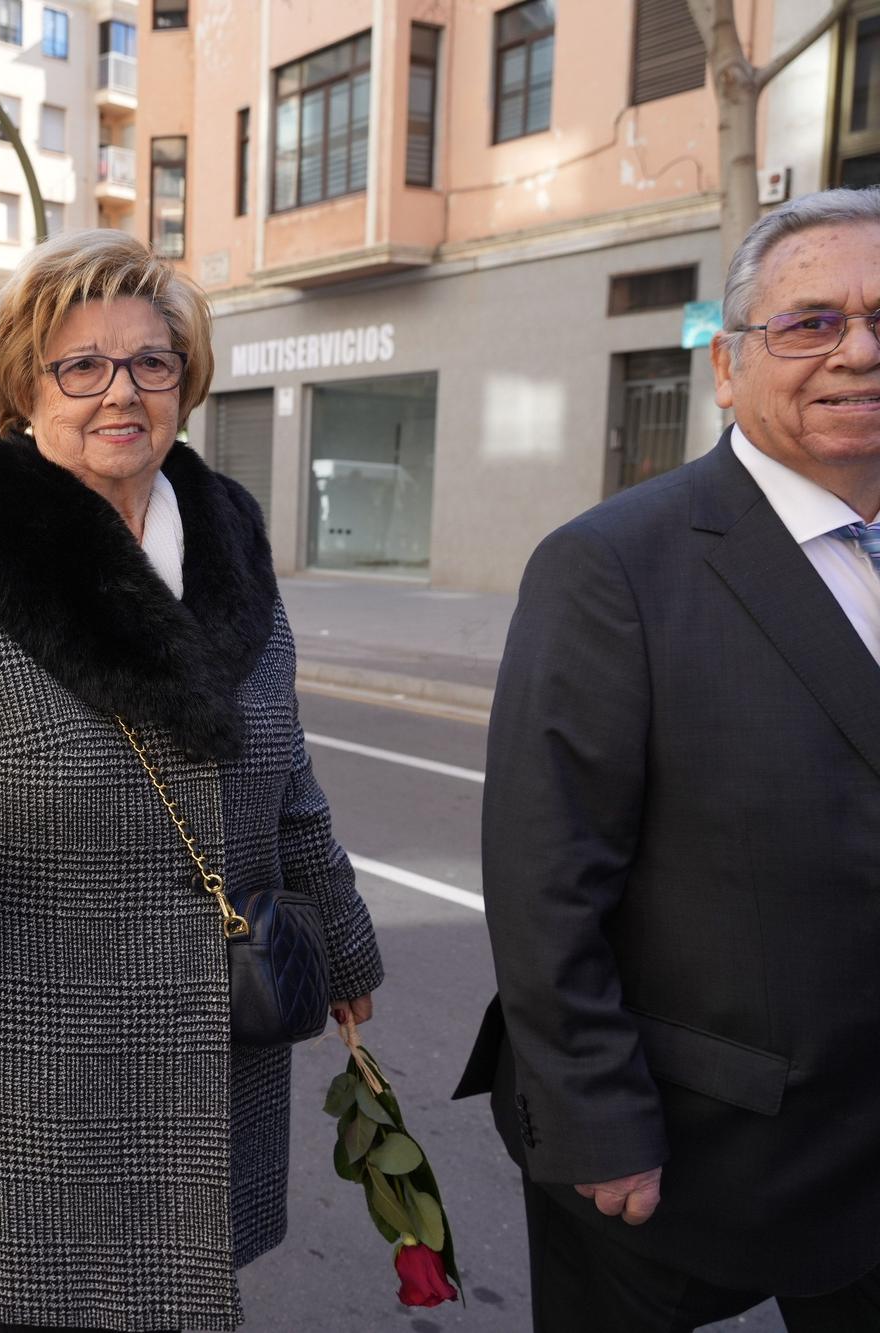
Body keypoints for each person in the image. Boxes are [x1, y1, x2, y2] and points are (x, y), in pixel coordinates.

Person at [0, 229, 383, 1332]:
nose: (119, 391)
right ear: (24, 388)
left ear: (183, 379)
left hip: (219, 1020)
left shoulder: (230, 534)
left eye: (149, 361)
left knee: (181, 1290)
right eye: (81, 365)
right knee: (65, 1303)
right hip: (42, 1041)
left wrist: (342, 940)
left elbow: (280, 764)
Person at [455, 188, 880, 1331]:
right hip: (687, 1140)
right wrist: (594, 1120)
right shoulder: (612, 566)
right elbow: (546, 882)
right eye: (809, 323)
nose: (857, 350)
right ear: (727, 368)